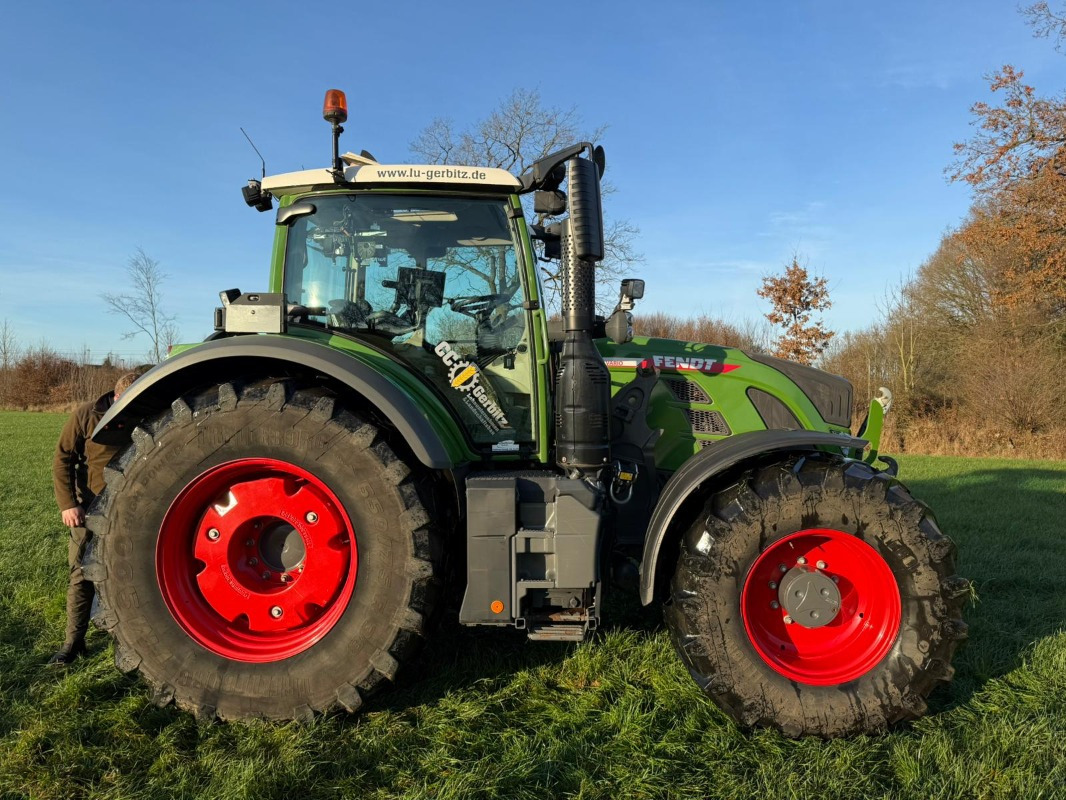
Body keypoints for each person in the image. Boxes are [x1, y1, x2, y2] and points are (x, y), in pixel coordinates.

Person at [49, 371, 140, 666]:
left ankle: (131, 642)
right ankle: (72, 643)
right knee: (81, 574)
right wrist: (68, 504)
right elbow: (63, 458)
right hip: (88, 507)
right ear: (115, 398)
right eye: (125, 404)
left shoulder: (144, 414)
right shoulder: (87, 415)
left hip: (128, 508)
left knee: (129, 574)